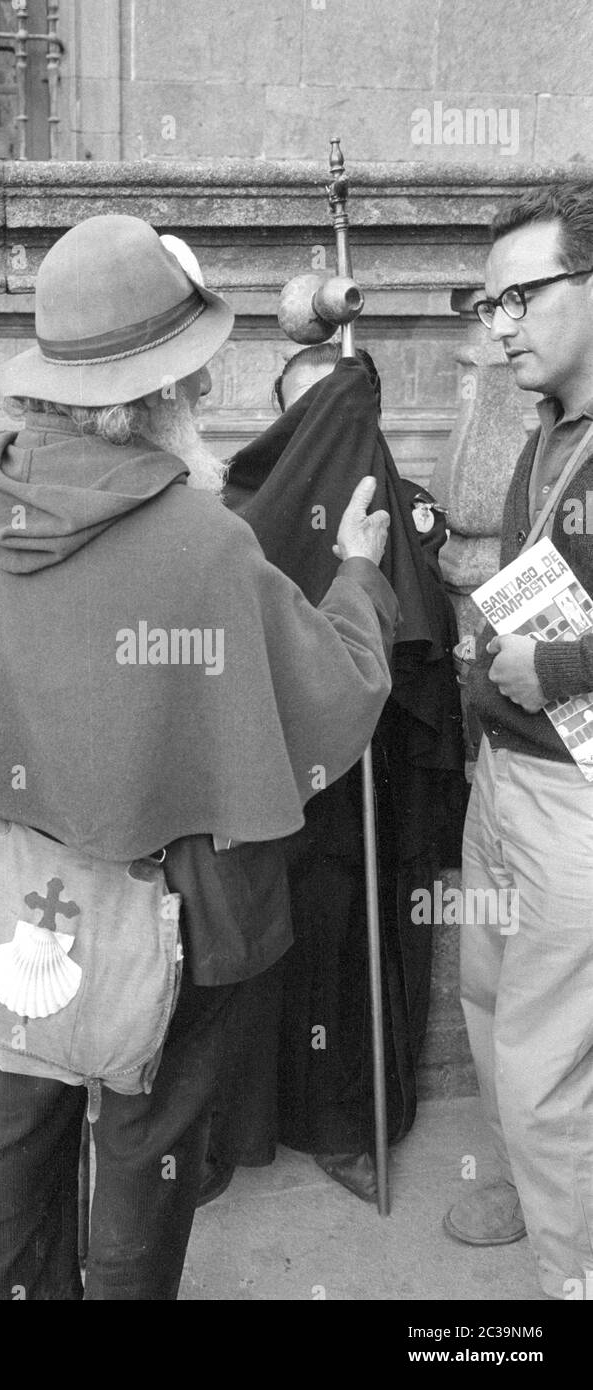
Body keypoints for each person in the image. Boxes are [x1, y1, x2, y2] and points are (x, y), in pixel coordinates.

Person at [0, 213, 400, 1300]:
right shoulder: (200, 542)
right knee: (144, 1155)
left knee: (15, 1124)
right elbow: (330, 700)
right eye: (195, 377)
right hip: (173, 923)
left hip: (10, 899)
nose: (204, 397)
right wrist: (359, 575)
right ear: (158, 391)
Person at [206, 345, 465, 1205]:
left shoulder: (411, 510)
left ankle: (345, 1119)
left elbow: (429, 652)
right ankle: (221, 1130)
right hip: (275, 772)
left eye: (335, 412)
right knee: (258, 941)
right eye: (301, 415)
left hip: (374, 780)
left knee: (357, 938)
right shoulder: (241, 519)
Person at [444, 182, 593, 1300]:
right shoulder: (543, 426)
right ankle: (525, 1185)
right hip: (501, 775)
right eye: (487, 303)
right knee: (488, 1004)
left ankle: (570, 1274)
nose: (498, 326)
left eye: (520, 298)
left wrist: (553, 668)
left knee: (547, 1068)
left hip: (570, 799)